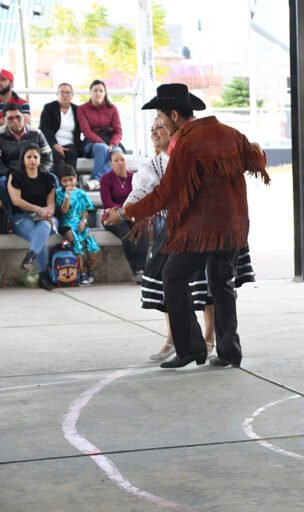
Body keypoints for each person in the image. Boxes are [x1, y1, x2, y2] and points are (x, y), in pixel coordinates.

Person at [102, 83, 269, 369]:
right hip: (234, 227)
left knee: (173, 276)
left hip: (200, 230)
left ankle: (191, 348)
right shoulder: (231, 134)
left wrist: (128, 212)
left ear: (176, 115)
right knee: (222, 285)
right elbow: (258, 159)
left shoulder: (187, 142)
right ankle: (229, 351)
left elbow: (167, 191)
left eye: (161, 117)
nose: (161, 123)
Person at [126, 117, 215, 361]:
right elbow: (142, 192)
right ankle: (174, 336)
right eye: (151, 128)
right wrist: (127, 208)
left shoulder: (192, 156)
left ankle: (209, 338)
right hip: (171, 226)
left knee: (204, 281)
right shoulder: (153, 166)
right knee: (163, 277)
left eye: (160, 126)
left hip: (199, 225)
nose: (154, 131)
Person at [7, 143, 57, 290]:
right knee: (39, 235)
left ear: (40, 159)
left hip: (44, 219)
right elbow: (16, 200)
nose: (32, 160)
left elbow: (51, 204)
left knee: (45, 225)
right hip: (22, 217)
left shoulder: (48, 178)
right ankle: (43, 276)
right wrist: (39, 209)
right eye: (28, 157)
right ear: (23, 159)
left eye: (35, 157)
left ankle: (31, 256)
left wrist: (47, 211)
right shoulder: (15, 176)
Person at [100, 151, 148, 284]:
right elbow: (107, 203)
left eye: (122, 160)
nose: (120, 163)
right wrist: (124, 211)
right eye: (116, 160)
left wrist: (127, 212)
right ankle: (136, 270)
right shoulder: (105, 179)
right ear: (111, 164)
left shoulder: (133, 177)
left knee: (143, 231)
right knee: (127, 234)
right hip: (112, 216)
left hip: (131, 214)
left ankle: (141, 270)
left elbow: (139, 198)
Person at [55, 164, 99, 285]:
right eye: (65, 180)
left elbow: (86, 210)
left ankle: (91, 268)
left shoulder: (81, 193)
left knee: (91, 240)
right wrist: (67, 197)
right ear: (60, 181)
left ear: (75, 178)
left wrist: (83, 222)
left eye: (71, 179)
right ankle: (81, 271)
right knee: (76, 243)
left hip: (79, 222)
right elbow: (63, 211)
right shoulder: (59, 193)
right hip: (66, 222)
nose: (68, 183)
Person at [77, 80, 123, 188]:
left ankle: (95, 180)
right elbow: (86, 131)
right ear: (90, 92)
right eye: (95, 90)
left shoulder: (112, 109)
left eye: (101, 91)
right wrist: (102, 142)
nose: (98, 93)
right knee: (102, 148)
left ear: (105, 93)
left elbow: (118, 131)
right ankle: (98, 180)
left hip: (110, 141)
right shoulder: (82, 109)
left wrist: (112, 144)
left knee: (118, 152)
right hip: (91, 142)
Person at [40, 82, 83, 173]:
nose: (65, 95)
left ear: (72, 95)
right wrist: (55, 145)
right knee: (55, 154)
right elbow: (45, 128)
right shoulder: (49, 108)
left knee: (72, 153)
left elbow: (83, 128)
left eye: (67, 92)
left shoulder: (77, 110)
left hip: (71, 144)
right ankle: (60, 183)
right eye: (62, 92)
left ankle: (71, 182)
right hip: (53, 143)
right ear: (57, 94)